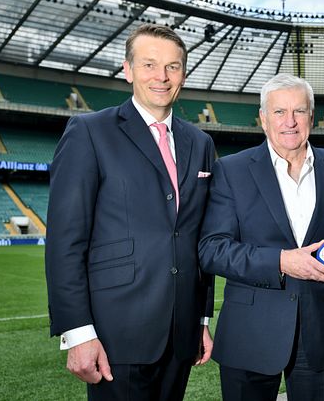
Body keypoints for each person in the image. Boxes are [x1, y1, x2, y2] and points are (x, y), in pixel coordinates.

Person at [45, 23, 216, 400]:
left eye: (173, 67)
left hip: (180, 330)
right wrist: (78, 332)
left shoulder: (200, 142)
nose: (162, 76)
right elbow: (65, 240)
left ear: (183, 74)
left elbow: (198, 235)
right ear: (127, 70)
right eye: (150, 65)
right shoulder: (89, 131)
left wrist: (201, 318)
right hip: (114, 333)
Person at [197, 73, 324, 401]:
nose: (290, 122)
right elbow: (212, 249)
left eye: (299, 111)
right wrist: (281, 262)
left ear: (312, 117)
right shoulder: (232, 170)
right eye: (279, 112)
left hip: (321, 333)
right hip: (250, 334)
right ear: (263, 119)